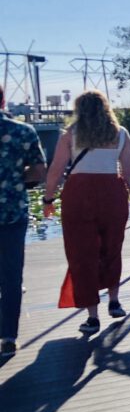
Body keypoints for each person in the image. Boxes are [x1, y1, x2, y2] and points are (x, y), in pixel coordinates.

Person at [42, 90, 130, 335]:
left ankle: (92, 317)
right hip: (112, 193)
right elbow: (129, 172)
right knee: (112, 249)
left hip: (79, 195)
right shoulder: (121, 134)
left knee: (82, 254)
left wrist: (48, 199)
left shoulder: (70, 134)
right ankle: (114, 301)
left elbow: (56, 170)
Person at [0, 85, 47, 356]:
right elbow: (39, 172)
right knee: (11, 275)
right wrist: (18, 178)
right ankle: (8, 336)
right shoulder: (23, 132)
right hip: (13, 211)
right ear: (3, 100)